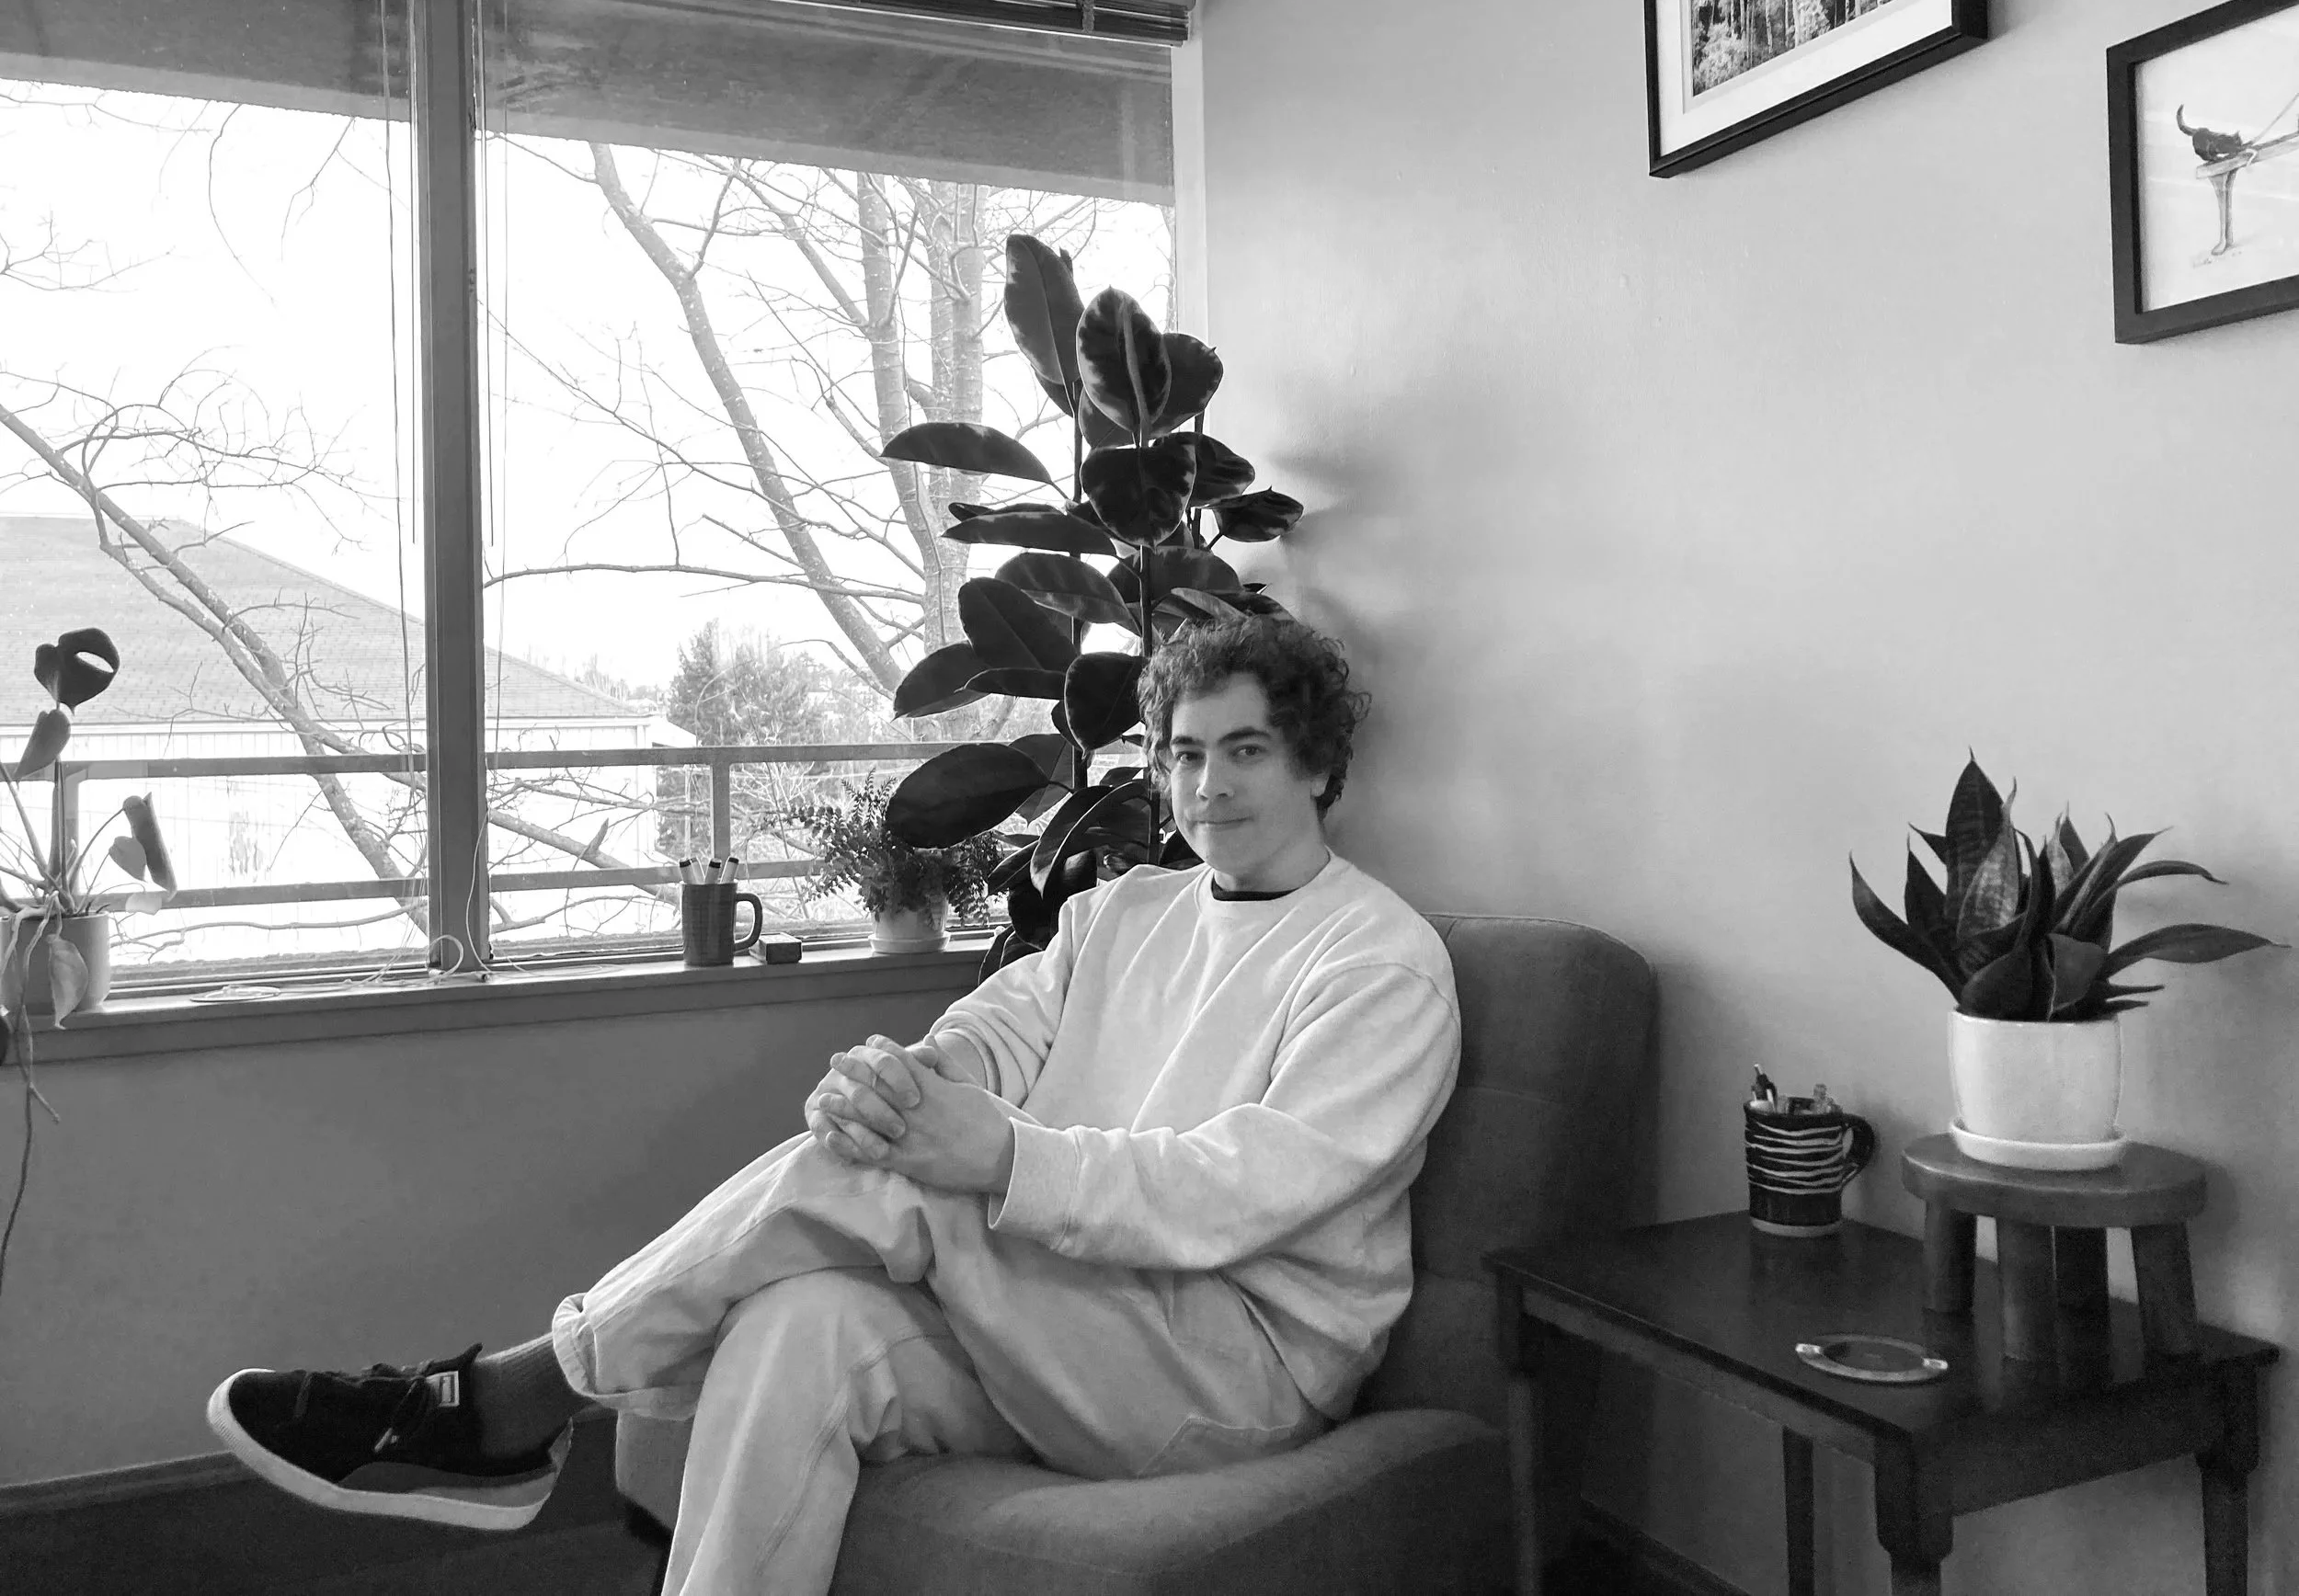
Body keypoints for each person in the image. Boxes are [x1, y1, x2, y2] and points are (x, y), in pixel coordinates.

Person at [207, 614, 1461, 1596]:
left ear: (1316, 763)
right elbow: (997, 1029)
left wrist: (996, 1156)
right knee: (800, 1322)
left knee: (900, 1175)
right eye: (1185, 751)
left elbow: (1239, 1185)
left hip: (1235, 1369)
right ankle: (518, 1421)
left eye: (1245, 748)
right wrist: (909, 1087)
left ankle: (517, 1399)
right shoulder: (1121, 911)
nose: (1207, 784)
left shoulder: (1378, 961)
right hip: (1083, 1325)